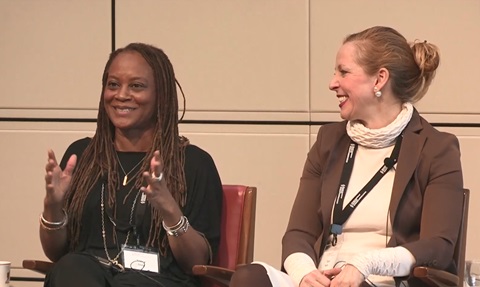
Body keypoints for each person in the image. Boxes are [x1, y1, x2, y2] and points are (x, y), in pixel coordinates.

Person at [230, 26, 464, 287]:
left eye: (343, 72)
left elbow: (439, 247)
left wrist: (364, 264)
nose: (332, 83)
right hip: (326, 278)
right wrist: (305, 274)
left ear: (379, 79)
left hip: (385, 281)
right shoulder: (328, 141)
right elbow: (298, 233)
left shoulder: (436, 148)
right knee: (249, 277)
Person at [39, 43, 223, 287]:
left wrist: (169, 209)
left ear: (161, 95)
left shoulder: (193, 163)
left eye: (136, 86)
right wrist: (53, 207)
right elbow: (55, 253)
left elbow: (197, 262)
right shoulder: (81, 157)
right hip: (88, 275)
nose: (121, 94)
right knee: (69, 267)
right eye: (113, 84)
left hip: (159, 280)